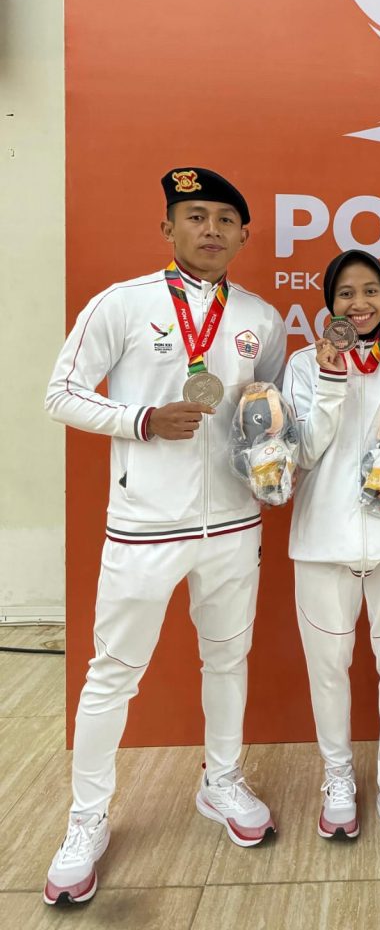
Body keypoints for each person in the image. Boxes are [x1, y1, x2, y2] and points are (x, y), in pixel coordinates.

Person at [43, 168, 287, 905]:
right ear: (168, 229)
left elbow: (271, 410)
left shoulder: (261, 318)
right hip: (145, 527)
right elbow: (61, 394)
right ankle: (87, 818)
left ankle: (222, 780)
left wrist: (273, 455)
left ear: (244, 235)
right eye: (195, 216)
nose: (210, 229)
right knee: (113, 673)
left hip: (234, 525)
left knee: (228, 660)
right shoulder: (122, 303)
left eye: (224, 219)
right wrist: (141, 421)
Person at [284, 249, 380, 855]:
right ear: (329, 303)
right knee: (328, 670)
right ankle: (339, 777)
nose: (359, 303)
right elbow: (302, 452)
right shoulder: (303, 365)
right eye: (345, 292)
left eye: (370, 290)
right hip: (323, 543)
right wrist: (329, 379)